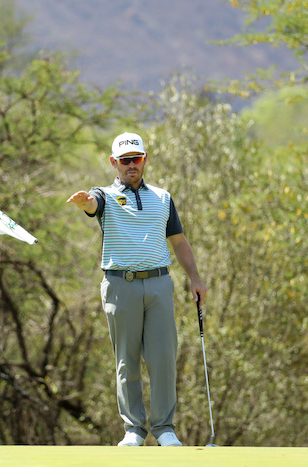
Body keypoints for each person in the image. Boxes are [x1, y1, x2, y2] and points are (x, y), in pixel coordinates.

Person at [66, 132, 207, 447]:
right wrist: (86, 203)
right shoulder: (102, 193)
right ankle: (133, 430)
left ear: (144, 159)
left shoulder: (163, 197)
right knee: (126, 360)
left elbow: (180, 242)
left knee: (163, 357)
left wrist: (195, 278)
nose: (132, 165)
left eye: (137, 159)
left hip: (159, 283)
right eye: (125, 160)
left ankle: (164, 428)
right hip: (120, 284)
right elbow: (93, 205)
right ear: (114, 162)